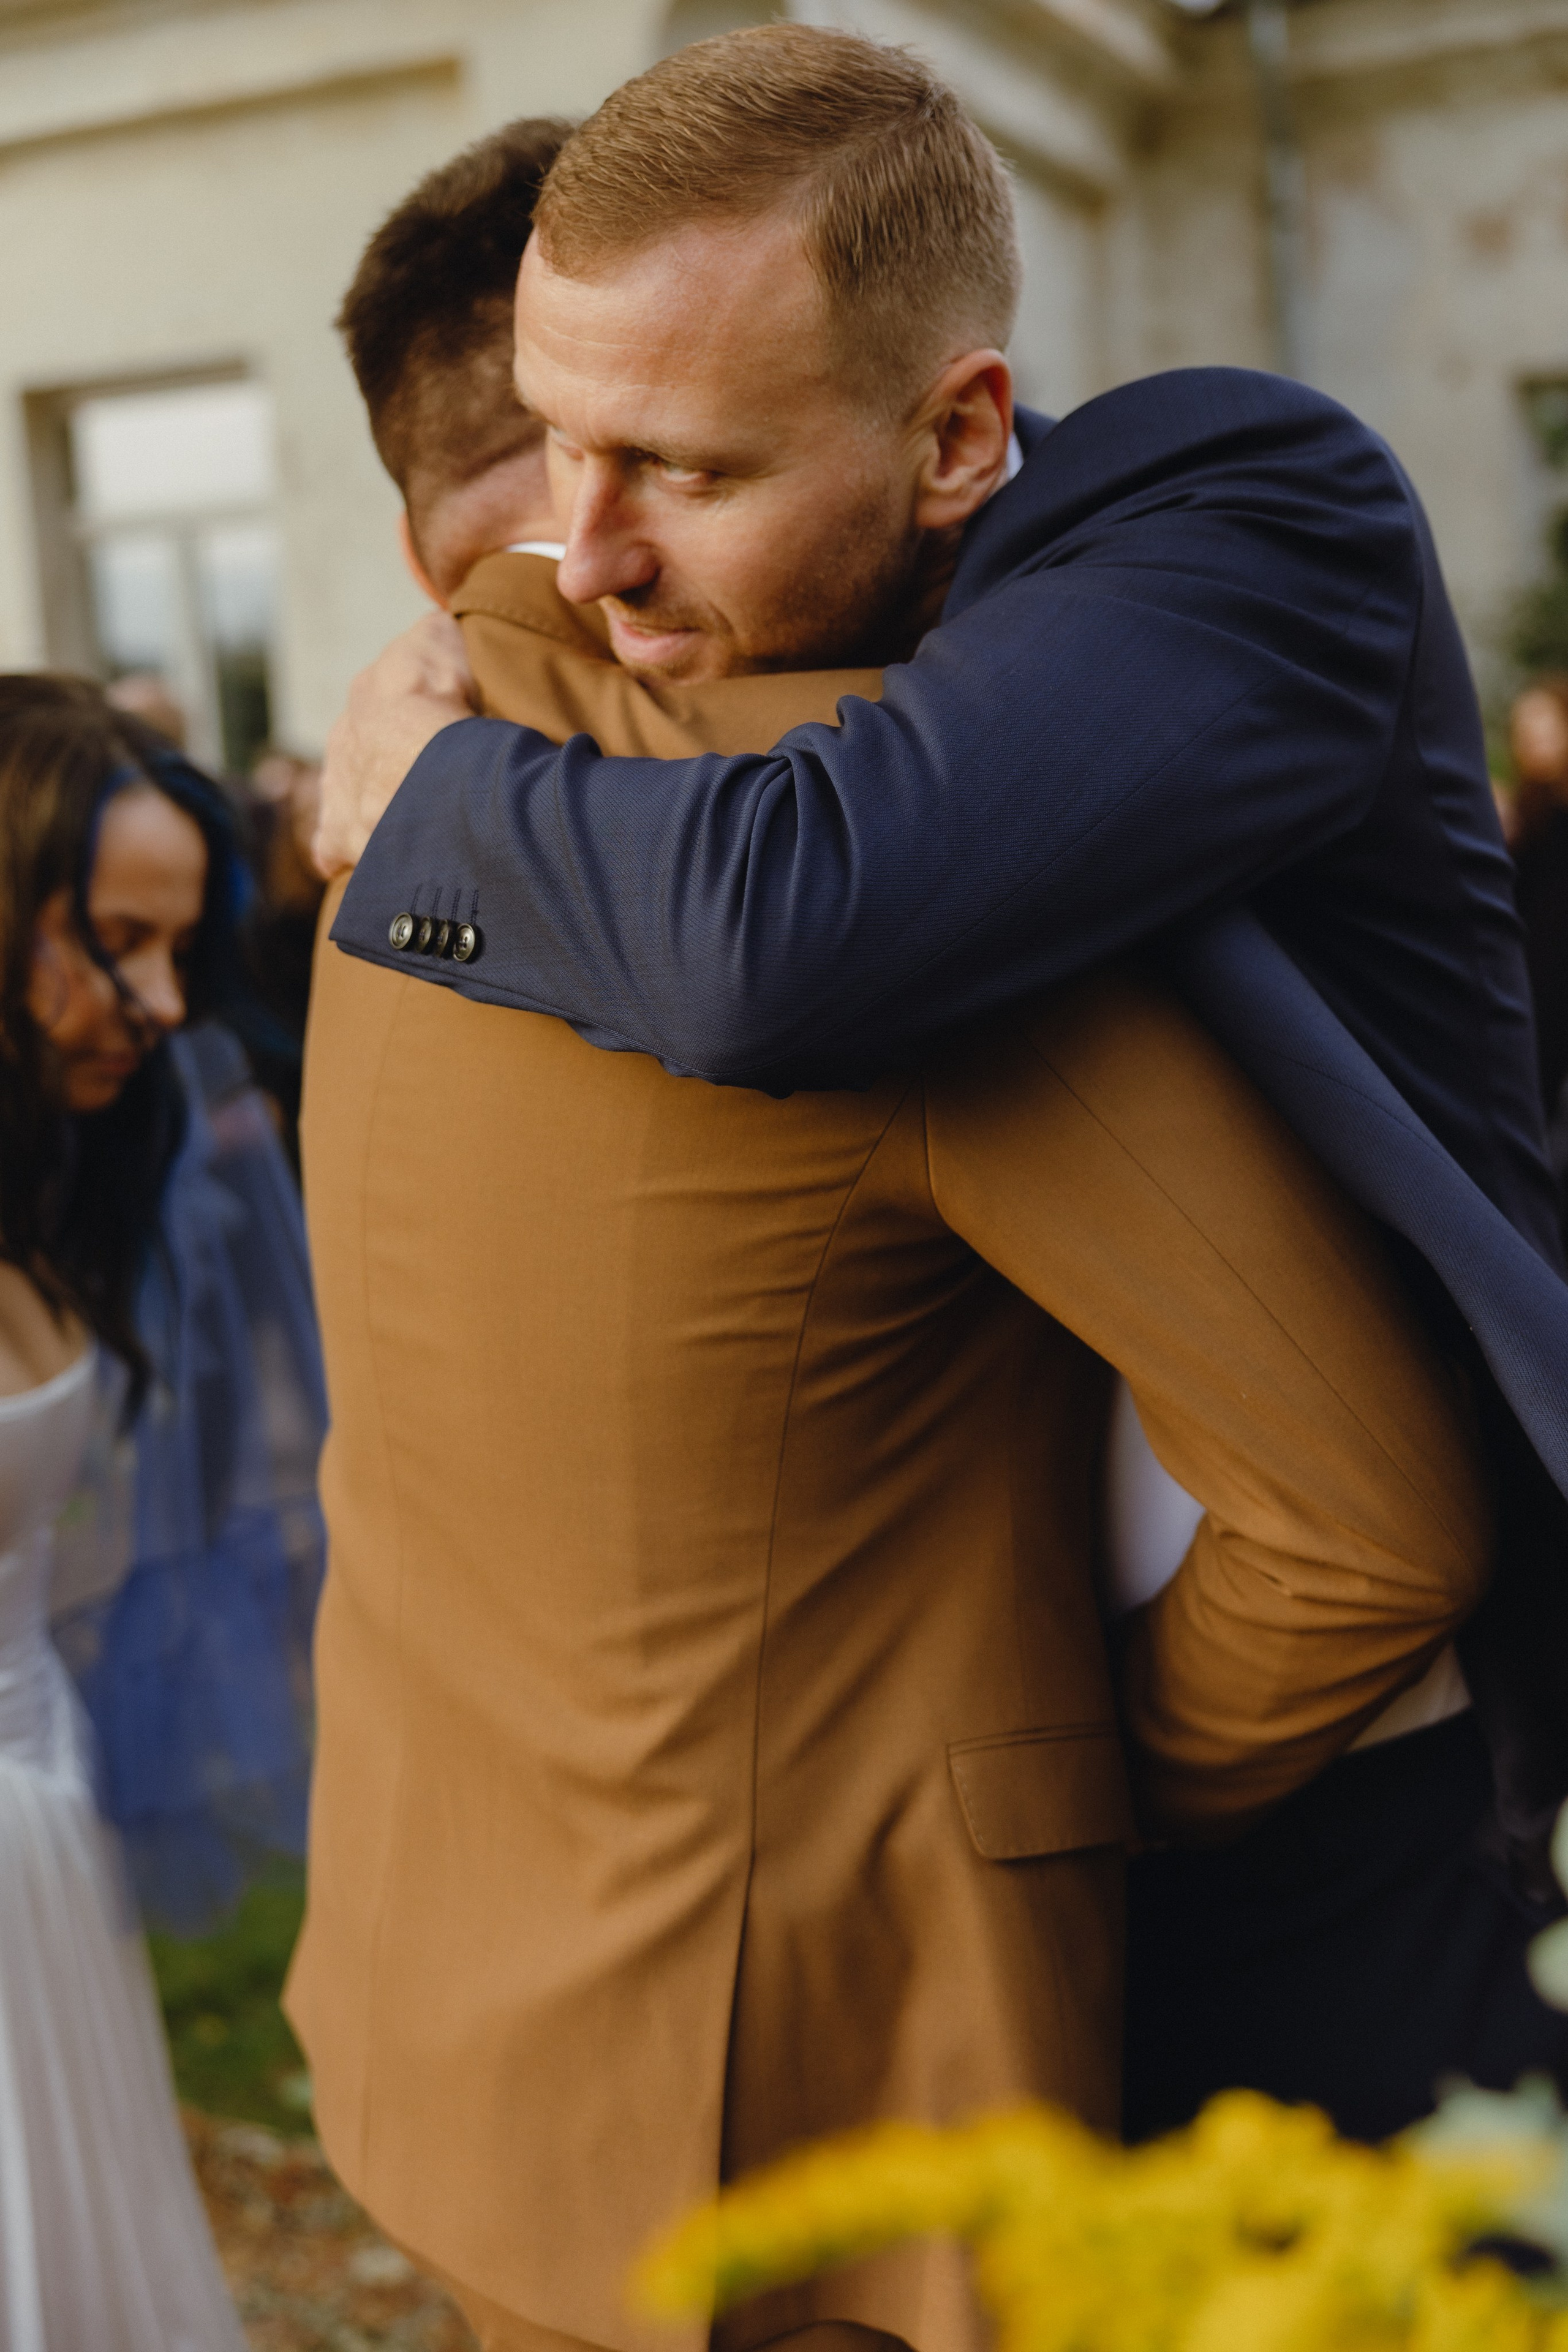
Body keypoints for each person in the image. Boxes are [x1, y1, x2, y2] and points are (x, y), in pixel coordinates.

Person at [288, 100, 1492, 2352]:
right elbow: (1357, 1531)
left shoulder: (504, 800)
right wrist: (1016, 1799)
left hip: (504, 2032)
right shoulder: (531, 756)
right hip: (805, 2087)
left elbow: (801, 929)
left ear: (956, 438)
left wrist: (434, 770)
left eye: (689, 468)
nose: (591, 552)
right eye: (556, 452)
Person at [0, 673, 247, 2347]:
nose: (161, 1004)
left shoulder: (49, 1178)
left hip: (42, 1816)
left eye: (178, 950)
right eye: (114, 944)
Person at [1509, 677, 1568, 1207]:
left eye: (1541, 727)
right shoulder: (1529, 810)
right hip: (1522, 975)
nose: (1528, 740)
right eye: (1522, 731)